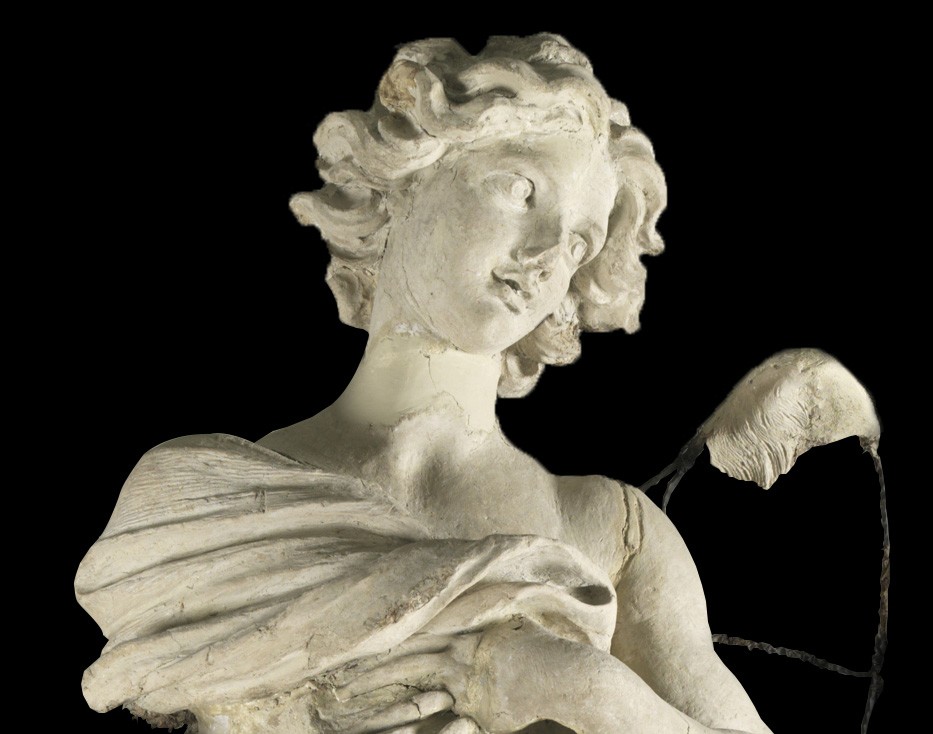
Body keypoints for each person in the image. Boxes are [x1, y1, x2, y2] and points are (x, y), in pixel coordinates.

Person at [76, 35, 773, 733]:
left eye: (577, 243)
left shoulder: (611, 532)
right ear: (406, 180)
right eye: (520, 189)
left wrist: (592, 694)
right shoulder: (196, 506)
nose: (543, 255)